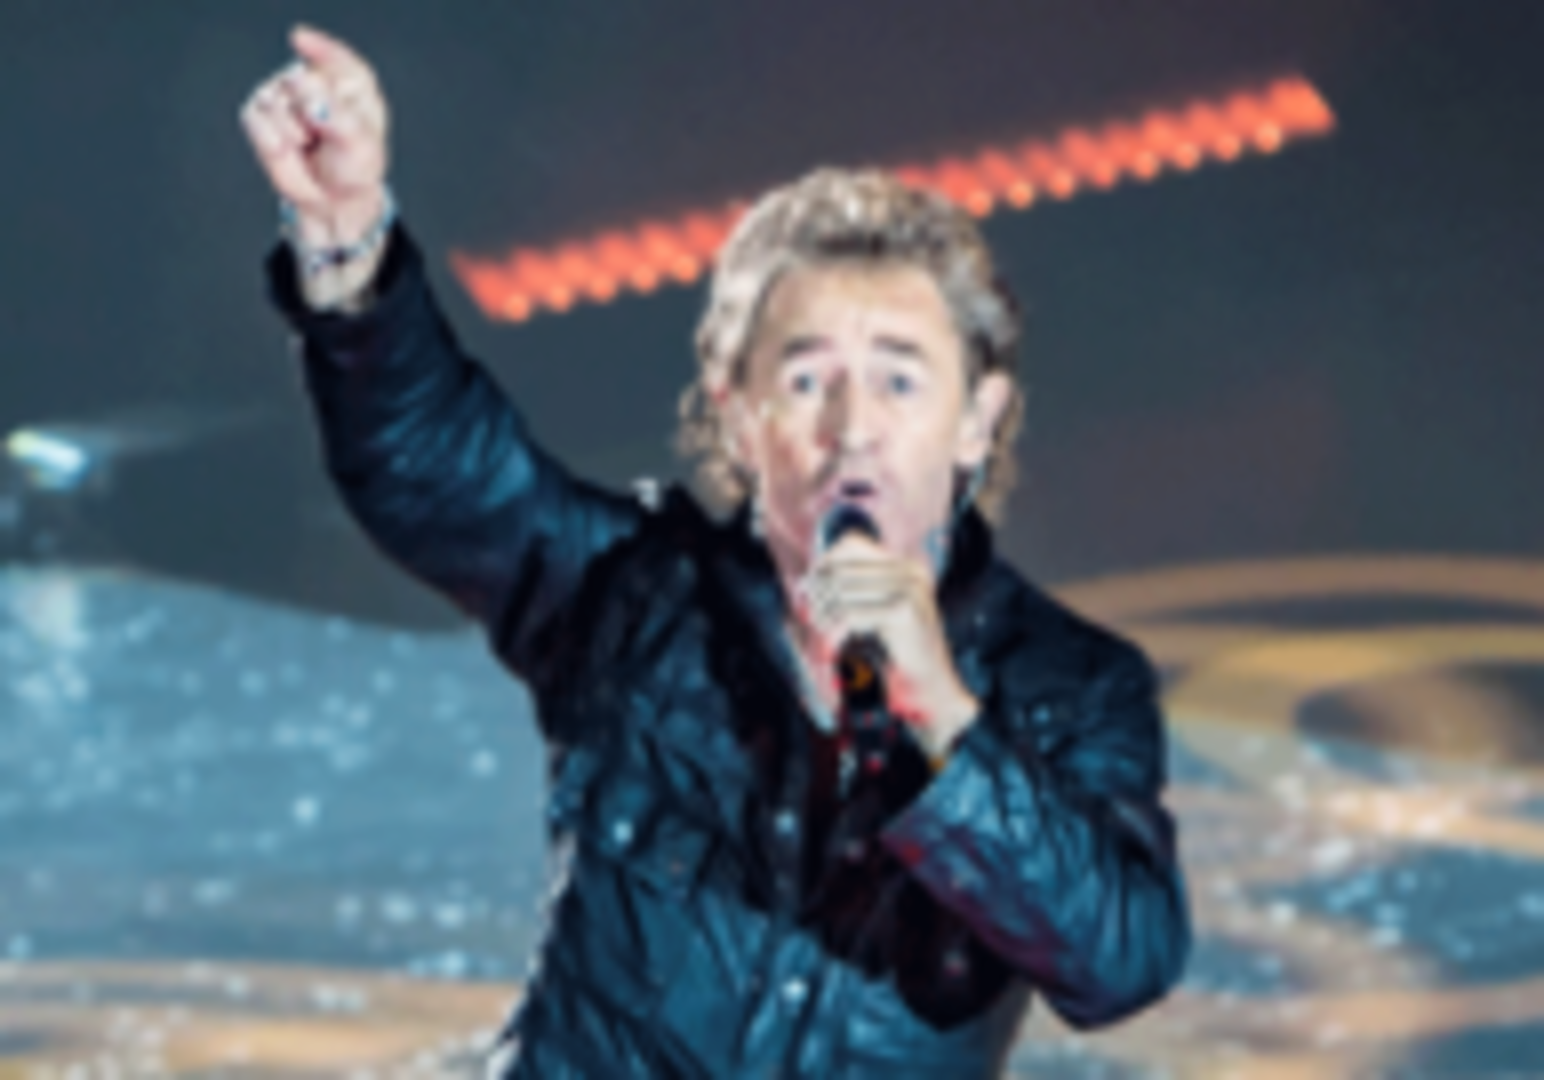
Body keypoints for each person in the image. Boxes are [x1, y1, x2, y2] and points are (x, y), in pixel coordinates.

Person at [241, 24, 1191, 1079]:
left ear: (976, 420)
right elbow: (434, 469)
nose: (852, 427)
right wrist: (344, 239)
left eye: (899, 379)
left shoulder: (1071, 685)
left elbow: (1121, 961)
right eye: (806, 380)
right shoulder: (630, 590)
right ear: (738, 417)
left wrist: (940, 714)